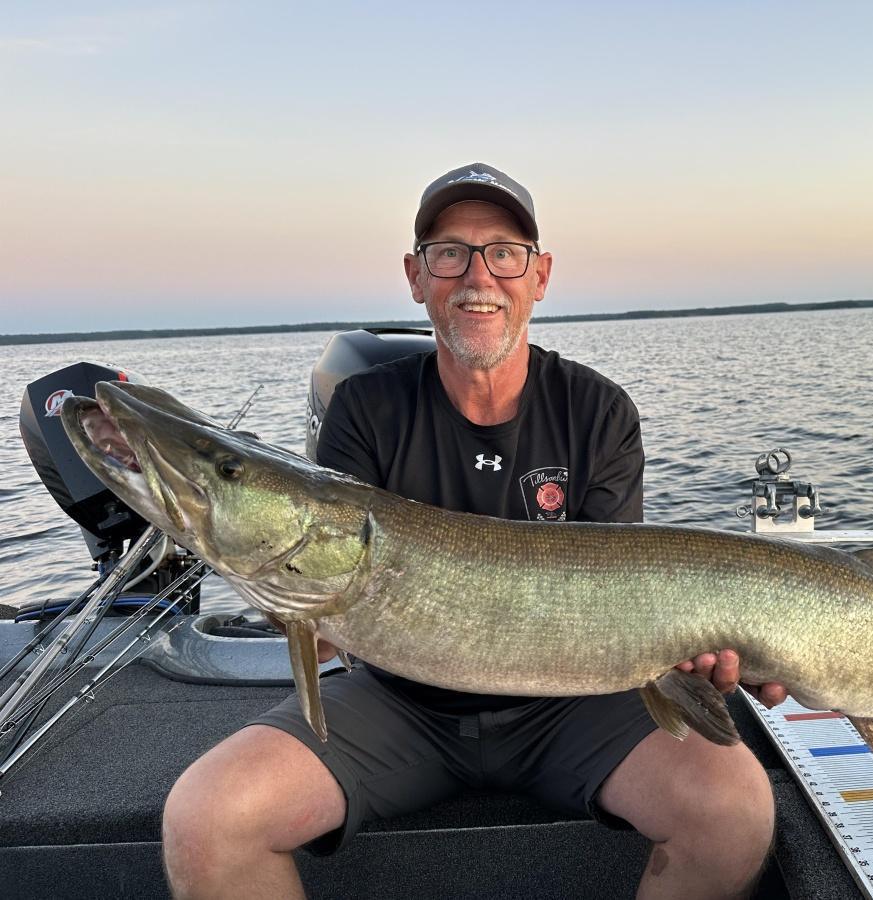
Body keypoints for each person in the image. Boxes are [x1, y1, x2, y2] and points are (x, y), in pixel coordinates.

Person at [162, 163, 786, 899]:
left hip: (575, 709)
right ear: (416, 276)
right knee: (207, 819)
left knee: (734, 810)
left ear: (539, 275)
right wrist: (285, 598)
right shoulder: (365, 408)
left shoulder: (598, 410)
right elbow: (328, 631)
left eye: (504, 253)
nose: (477, 276)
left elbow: (623, 608)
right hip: (403, 704)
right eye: (449, 253)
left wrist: (691, 657)